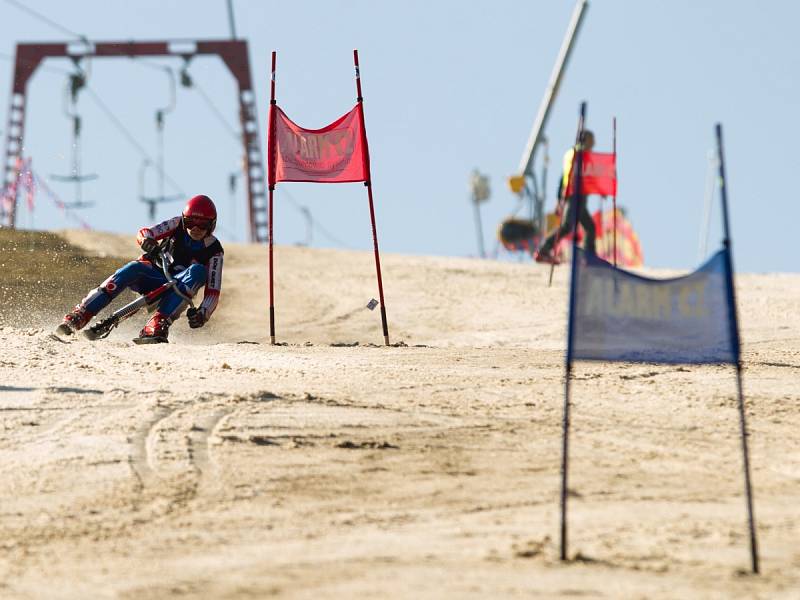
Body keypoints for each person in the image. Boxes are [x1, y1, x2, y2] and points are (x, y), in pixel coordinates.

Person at [57, 194, 224, 343]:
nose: (195, 228)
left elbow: (213, 292)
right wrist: (148, 242)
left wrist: (203, 313)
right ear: (183, 219)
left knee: (198, 271)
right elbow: (145, 232)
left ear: (212, 225)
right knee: (133, 267)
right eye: (190, 222)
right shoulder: (176, 224)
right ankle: (81, 314)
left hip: (178, 290)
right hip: (154, 275)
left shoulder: (215, 251)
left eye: (202, 224)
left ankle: (157, 323)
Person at [535, 130, 597, 262]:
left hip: (578, 197)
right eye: (592, 139)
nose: (594, 143)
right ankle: (544, 249)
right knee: (568, 226)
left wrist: (559, 199)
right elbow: (567, 177)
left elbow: (563, 178)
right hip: (575, 196)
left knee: (589, 227)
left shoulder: (575, 154)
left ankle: (589, 255)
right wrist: (560, 199)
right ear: (585, 140)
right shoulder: (579, 155)